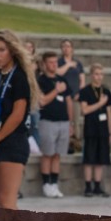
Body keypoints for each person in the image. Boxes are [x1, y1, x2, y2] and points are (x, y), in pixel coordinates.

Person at [0, 29, 38, 210]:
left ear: (12, 51)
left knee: (7, 202)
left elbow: (18, 115)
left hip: (13, 141)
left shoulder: (19, 77)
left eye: (1, 50)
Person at [36, 51, 73, 198]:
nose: (54, 65)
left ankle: (54, 183)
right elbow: (42, 101)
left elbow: (69, 101)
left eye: (55, 62)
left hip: (63, 121)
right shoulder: (41, 80)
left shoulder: (62, 79)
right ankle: (46, 184)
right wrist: (56, 90)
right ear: (44, 64)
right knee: (47, 154)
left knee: (58, 154)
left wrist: (71, 122)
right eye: (51, 62)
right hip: (48, 121)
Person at [79, 63, 111, 197]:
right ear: (91, 75)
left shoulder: (106, 91)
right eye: (96, 74)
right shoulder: (86, 91)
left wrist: (110, 131)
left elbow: (109, 112)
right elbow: (84, 110)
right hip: (91, 128)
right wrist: (99, 104)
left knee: (101, 158)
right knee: (89, 158)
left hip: (103, 129)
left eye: (101, 74)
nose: (98, 77)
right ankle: (88, 185)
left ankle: (97, 186)